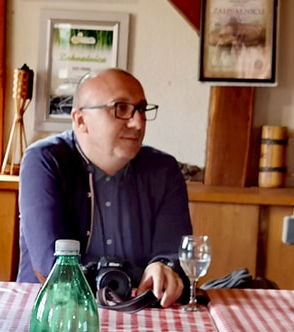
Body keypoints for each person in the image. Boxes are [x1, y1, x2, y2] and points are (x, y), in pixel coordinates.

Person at [16, 68, 192, 304]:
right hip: (56, 309)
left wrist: (164, 267)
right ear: (81, 120)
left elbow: (174, 253)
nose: (138, 122)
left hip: (142, 311)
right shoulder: (45, 161)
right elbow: (53, 265)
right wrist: (137, 275)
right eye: (121, 108)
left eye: (141, 109)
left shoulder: (164, 169)